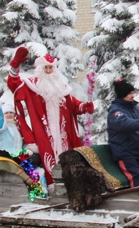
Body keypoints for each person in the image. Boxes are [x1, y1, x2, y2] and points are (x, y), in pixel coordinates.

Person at [7, 47, 94, 184]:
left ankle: (70, 187)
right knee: (49, 161)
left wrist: (83, 107)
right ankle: (52, 187)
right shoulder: (31, 86)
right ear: (39, 69)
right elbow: (14, 85)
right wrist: (15, 65)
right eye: (45, 68)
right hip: (43, 133)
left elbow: (70, 102)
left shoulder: (60, 87)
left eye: (50, 68)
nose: (48, 71)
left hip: (63, 134)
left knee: (68, 160)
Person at [0, 90, 48, 195]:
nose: (9, 115)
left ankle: (41, 193)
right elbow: (0, 120)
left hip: (19, 156)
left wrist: (27, 150)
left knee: (40, 169)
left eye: (11, 112)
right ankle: (37, 192)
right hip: (7, 157)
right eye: (6, 113)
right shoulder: (2, 127)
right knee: (30, 166)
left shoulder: (16, 127)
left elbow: (21, 144)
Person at [107, 79, 139, 188]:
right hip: (126, 153)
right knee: (136, 177)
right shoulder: (115, 111)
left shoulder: (135, 110)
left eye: (133, 93)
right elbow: (124, 123)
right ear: (122, 94)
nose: (132, 96)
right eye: (129, 93)